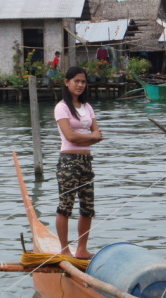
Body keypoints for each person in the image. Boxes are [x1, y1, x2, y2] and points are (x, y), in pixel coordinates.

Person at [54, 66, 103, 259]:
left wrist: (89, 137)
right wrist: (89, 136)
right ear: (67, 82)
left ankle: (81, 249)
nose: (80, 85)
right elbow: (70, 136)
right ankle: (65, 249)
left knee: (87, 207)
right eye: (76, 81)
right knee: (65, 206)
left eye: (83, 81)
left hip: (86, 161)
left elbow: (97, 135)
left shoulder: (87, 107)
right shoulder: (62, 107)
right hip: (68, 162)